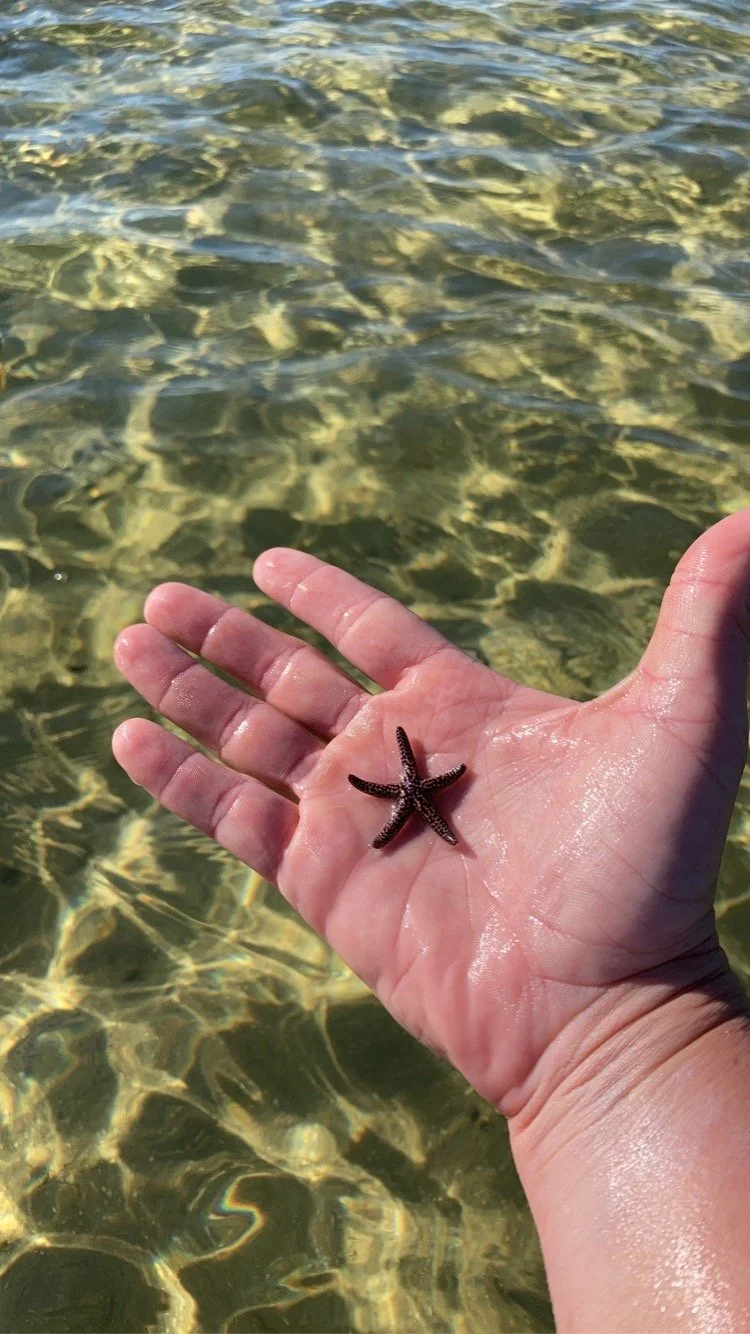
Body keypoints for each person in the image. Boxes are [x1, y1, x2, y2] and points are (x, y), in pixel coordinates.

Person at [112, 509, 750, 1333]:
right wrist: (619, 1024)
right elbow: (411, 789)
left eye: (421, 792)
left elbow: (415, 789)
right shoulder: (411, 791)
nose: (415, 794)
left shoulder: (416, 791)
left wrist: (613, 1024)